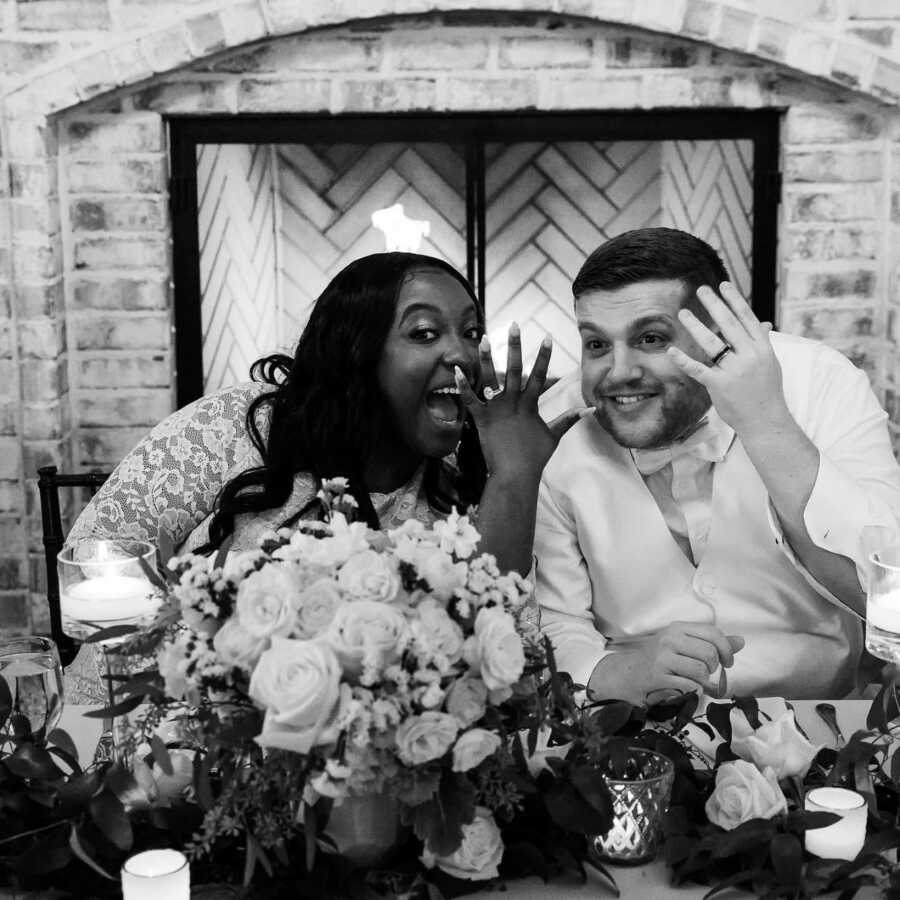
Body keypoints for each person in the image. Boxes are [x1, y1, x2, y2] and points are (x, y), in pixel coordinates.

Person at [535, 227, 900, 702]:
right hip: (630, 729)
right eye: (597, 344)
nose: (618, 372)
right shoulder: (554, 427)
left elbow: (889, 600)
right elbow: (553, 617)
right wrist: (610, 672)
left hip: (824, 718)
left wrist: (767, 423)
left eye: (649, 338)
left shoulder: (821, 383)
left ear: (720, 334)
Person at [68, 252, 584, 577]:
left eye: (471, 332)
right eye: (424, 333)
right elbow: (100, 558)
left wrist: (515, 476)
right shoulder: (231, 427)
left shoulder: (465, 488)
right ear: (356, 354)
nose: (463, 355)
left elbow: (503, 651)